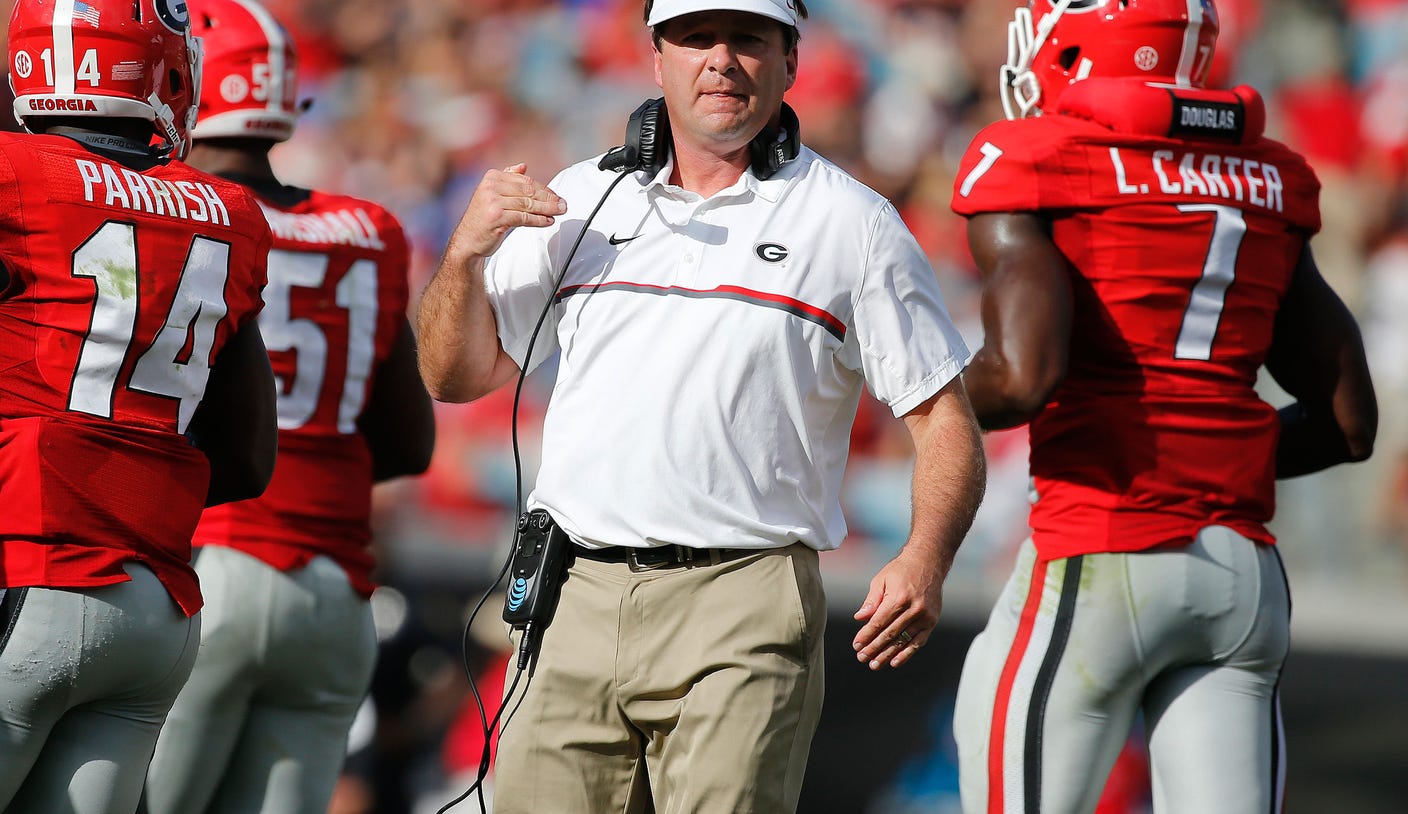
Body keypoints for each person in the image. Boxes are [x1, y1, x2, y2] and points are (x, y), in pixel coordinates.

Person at [415, 0, 987, 810]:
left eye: (748, 38)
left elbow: (943, 420)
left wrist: (925, 559)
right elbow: (454, 376)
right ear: (656, 60)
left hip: (744, 599)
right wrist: (465, 256)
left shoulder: (852, 223)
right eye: (694, 38)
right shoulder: (581, 197)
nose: (720, 59)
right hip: (570, 595)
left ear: (791, 62)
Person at [948, 0, 1379, 811]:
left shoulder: (1040, 156)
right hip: (1241, 582)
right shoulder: (1271, 177)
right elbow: (1350, 424)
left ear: (1075, 46)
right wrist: (1218, 456)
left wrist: (899, 394)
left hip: (1102, 546)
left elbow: (1019, 377)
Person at [140, 1, 437, 812]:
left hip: (208, 566)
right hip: (338, 593)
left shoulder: (174, 209)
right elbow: (409, 445)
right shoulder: (368, 229)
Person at [0, 0, 278, 812]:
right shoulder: (231, 212)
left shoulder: (19, 176)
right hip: (154, 611)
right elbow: (249, 459)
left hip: (27, 573)